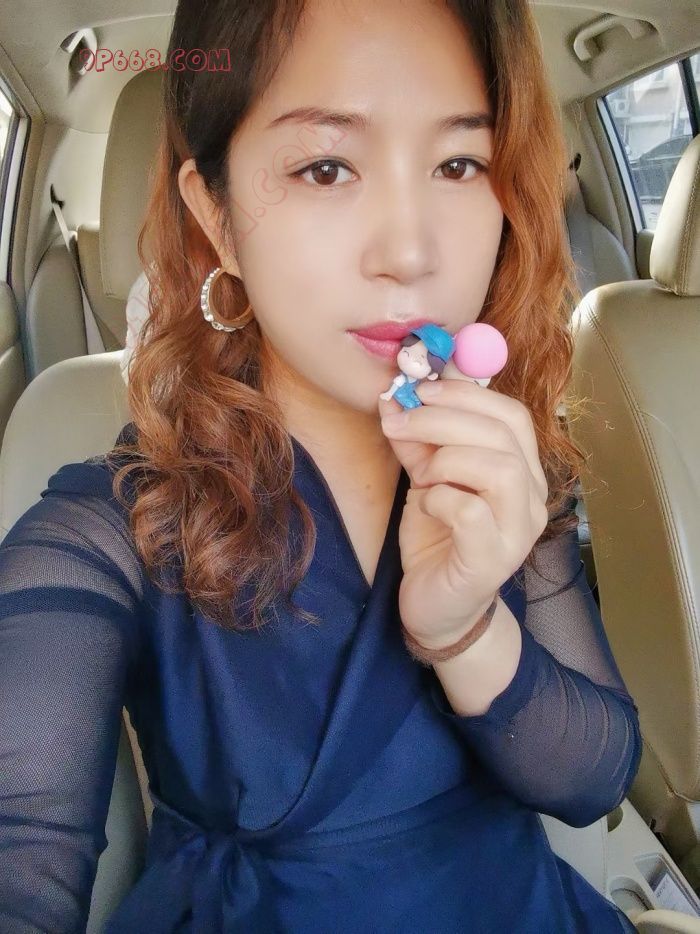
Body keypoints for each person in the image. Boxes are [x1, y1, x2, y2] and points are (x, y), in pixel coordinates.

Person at [0, 0, 643, 931]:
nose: (411, 253)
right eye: (327, 167)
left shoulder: (497, 458)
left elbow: (595, 779)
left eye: (460, 164)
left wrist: (464, 631)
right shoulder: (107, 528)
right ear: (217, 216)